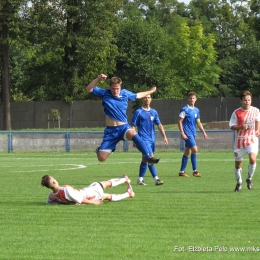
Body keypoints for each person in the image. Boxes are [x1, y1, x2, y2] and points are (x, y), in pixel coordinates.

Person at [86, 74, 160, 165]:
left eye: (117, 88)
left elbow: (138, 95)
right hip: (111, 131)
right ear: (110, 87)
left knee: (133, 133)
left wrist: (150, 91)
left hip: (123, 128)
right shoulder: (105, 93)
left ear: (120, 87)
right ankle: (100, 150)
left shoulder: (125, 93)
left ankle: (149, 157)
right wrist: (98, 79)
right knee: (101, 158)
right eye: (113, 88)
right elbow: (88, 89)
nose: (115, 91)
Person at [131, 94, 168, 185]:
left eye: (148, 97)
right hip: (143, 139)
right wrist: (134, 139)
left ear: (151, 99)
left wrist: (164, 136)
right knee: (150, 157)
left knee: (145, 159)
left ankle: (140, 180)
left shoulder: (154, 112)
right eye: (145, 98)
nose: (147, 99)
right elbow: (133, 126)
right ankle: (156, 179)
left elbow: (159, 124)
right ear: (142, 99)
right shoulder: (138, 112)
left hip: (152, 139)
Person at [229, 90, 260, 192]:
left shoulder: (255, 110)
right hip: (240, 141)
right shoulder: (237, 112)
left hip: (252, 139)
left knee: (252, 158)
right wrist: (240, 127)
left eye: (249, 100)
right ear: (240, 101)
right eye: (245, 100)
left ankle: (249, 178)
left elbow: (257, 121)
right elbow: (231, 126)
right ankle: (239, 182)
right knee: (238, 164)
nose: (247, 102)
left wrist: (257, 130)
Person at [41, 174, 135, 205]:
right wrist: (93, 203)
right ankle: (125, 180)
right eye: (53, 178)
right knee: (105, 183)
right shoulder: (65, 190)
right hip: (88, 193)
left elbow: (53, 202)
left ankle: (128, 194)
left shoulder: (51, 197)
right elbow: (80, 199)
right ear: (53, 182)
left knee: (106, 196)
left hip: (87, 195)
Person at [178, 92, 208, 177]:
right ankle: (195, 171)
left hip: (193, 133)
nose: (192, 100)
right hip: (187, 134)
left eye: (193, 98)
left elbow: (198, 122)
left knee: (187, 152)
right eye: (190, 98)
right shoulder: (185, 109)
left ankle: (181, 171)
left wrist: (204, 132)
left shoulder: (196, 110)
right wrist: (182, 133)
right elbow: (179, 121)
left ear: (196, 99)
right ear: (188, 99)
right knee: (195, 150)